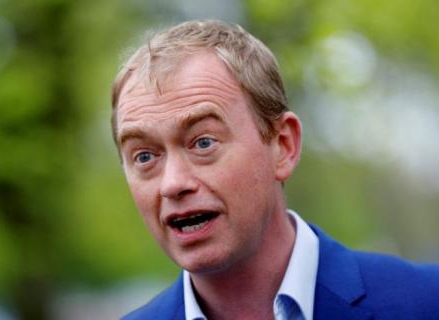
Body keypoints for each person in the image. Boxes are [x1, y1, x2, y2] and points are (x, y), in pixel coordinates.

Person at [111, 20, 439, 320]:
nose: (172, 184)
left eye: (203, 143)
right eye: (144, 157)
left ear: (283, 146)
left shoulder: (425, 302)